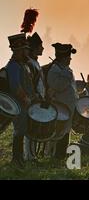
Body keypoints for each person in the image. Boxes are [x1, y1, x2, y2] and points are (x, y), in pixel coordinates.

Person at [5, 34, 37, 168]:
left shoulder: (22, 65)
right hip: (19, 104)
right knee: (19, 131)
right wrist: (25, 99)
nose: (27, 52)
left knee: (23, 130)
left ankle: (20, 159)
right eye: (25, 49)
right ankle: (16, 159)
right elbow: (16, 87)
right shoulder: (13, 66)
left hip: (25, 104)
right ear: (19, 50)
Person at [46, 43, 78, 160]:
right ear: (63, 58)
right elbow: (58, 86)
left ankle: (61, 155)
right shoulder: (55, 70)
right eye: (68, 57)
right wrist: (66, 75)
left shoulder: (65, 70)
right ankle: (56, 156)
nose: (70, 58)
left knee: (65, 132)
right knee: (59, 133)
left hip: (68, 107)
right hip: (60, 107)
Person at [24, 32, 46, 162]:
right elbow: (29, 84)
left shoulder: (35, 63)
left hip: (38, 99)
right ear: (34, 48)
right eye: (40, 46)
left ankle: (32, 155)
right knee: (30, 130)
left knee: (35, 129)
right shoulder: (29, 64)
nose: (42, 48)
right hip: (32, 100)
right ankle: (29, 156)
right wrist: (35, 97)